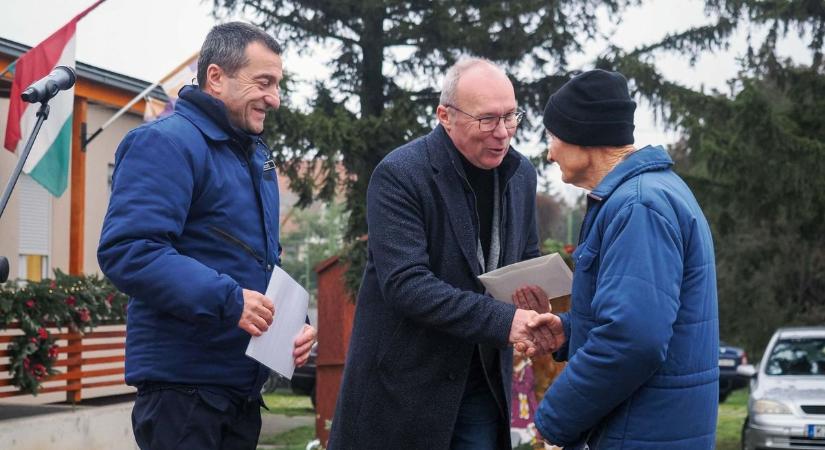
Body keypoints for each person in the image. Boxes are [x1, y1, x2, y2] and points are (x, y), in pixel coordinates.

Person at [97, 22, 316, 450]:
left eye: (278, 84)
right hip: (184, 392)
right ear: (216, 77)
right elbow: (129, 250)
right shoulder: (164, 143)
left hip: (239, 389)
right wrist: (230, 300)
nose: (275, 98)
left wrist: (292, 325)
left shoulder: (254, 157)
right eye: (264, 82)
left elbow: (253, 262)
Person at [327, 58, 559, 450]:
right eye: (487, 120)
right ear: (445, 116)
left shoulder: (522, 175)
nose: (502, 133)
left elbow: (525, 258)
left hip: (483, 386)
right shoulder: (400, 174)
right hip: (404, 392)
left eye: (510, 117)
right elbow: (406, 284)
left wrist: (534, 303)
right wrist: (506, 321)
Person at [515, 69, 719, 449]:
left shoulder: (638, 206)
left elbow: (633, 340)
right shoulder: (649, 195)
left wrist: (553, 418)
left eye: (553, 136)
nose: (550, 151)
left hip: (641, 435)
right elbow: (647, 319)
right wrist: (570, 330)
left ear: (583, 136)